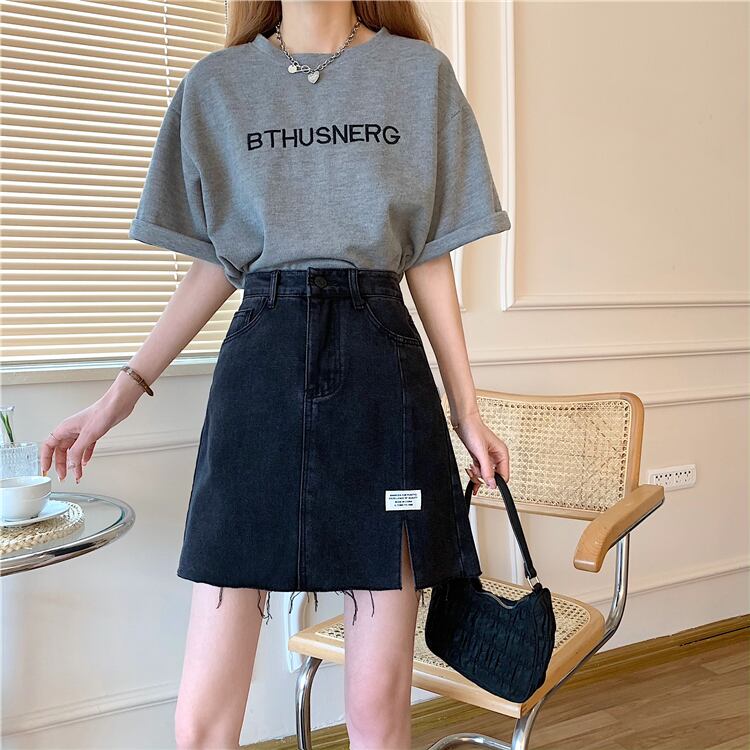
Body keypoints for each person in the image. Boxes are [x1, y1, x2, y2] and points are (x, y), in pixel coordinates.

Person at [41, 2, 511, 748]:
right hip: (259, 374)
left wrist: (468, 412)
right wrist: (117, 396)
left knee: (376, 706)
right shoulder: (216, 86)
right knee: (202, 718)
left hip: (382, 379)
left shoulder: (418, 76)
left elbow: (429, 256)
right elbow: (214, 266)